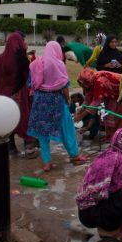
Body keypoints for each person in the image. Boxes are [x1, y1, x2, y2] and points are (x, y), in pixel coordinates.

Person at [28, 41, 88, 171]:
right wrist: (67, 99)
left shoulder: (34, 64)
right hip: (56, 101)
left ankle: (47, 162)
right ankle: (74, 155)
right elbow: (64, 85)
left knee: (42, 132)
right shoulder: (58, 64)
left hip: (39, 101)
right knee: (67, 128)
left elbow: (31, 84)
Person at [0, 31, 32, 155]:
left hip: (5, 94)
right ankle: (27, 145)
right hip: (19, 93)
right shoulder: (22, 59)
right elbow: (26, 76)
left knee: (8, 119)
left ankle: (11, 147)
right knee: (23, 117)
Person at [77, 67, 121, 139]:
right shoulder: (90, 82)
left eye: (83, 84)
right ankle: (108, 136)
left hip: (116, 93)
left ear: (87, 82)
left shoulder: (99, 82)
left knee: (111, 114)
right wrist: (80, 109)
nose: (82, 87)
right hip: (108, 94)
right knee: (105, 114)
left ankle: (113, 137)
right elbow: (87, 98)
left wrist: (81, 116)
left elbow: (96, 102)